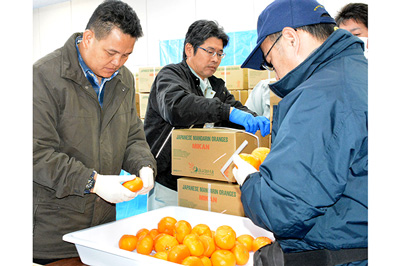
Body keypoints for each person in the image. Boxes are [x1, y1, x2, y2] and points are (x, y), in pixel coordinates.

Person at [233, 0, 367, 265]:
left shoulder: (320, 95)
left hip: (336, 254)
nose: (275, 74)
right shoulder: (359, 73)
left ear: (291, 38)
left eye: (270, 61)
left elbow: (281, 210)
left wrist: (250, 181)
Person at [33, 0, 156, 264]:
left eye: (126, 55)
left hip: (101, 229)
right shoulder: (43, 76)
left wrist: (144, 166)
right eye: (111, 52)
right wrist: (94, 182)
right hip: (54, 233)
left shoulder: (123, 80)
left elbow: (132, 135)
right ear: (88, 38)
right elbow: (35, 154)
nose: (117, 62)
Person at [144, 19, 270, 211]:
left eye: (220, 54)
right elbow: (177, 107)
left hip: (201, 179)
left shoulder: (216, 85)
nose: (215, 59)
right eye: (209, 51)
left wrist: (252, 117)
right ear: (189, 49)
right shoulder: (170, 76)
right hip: (168, 182)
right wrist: (227, 112)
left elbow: (233, 107)